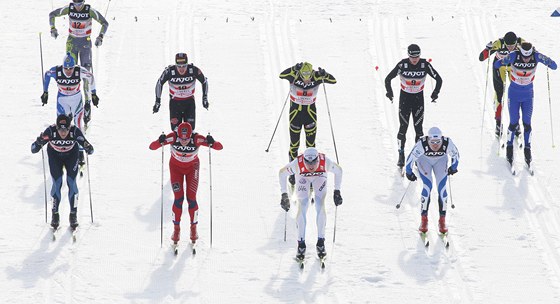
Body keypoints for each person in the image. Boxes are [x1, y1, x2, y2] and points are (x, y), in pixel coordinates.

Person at [149, 122, 222, 245]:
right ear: (177, 134)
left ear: (191, 135)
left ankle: (193, 229)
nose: (184, 141)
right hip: (175, 169)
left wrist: (212, 142)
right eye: (181, 138)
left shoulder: (197, 138)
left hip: (192, 169)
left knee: (191, 199)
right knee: (178, 199)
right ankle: (176, 230)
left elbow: (219, 147)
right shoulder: (172, 137)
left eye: (187, 138)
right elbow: (152, 147)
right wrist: (159, 140)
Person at [494, 42, 557, 166]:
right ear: (520, 52)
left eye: (528, 57)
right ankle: (509, 148)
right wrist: (503, 60)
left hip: (528, 95)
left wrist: (547, 61)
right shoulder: (513, 55)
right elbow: (497, 64)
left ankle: (528, 150)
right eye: (524, 57)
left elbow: (554, 66)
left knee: (527, 123)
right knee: (513, 122)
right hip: (514, 94)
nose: (526, 60)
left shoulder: (536, 56)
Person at [49, 0, 109, 124]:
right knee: (70, 72)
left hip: (85, 44)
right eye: (75, 4)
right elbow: (52, 14)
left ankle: (87, 104)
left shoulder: (89, 11)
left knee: (86, 75)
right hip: (72, 43)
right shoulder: (69, 8)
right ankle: (69, 105)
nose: (77, 6)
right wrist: (53, 29)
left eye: (80, 4)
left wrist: (100, 37)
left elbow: (104, 23)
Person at [31, 114, 94, 229]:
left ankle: (73, 215)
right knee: (57, 182)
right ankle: (55, 215)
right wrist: (39, 142)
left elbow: (89, 147)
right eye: (60, 129)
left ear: (70, 127)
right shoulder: (50, 131)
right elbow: (33, 149)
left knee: (71, 182)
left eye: (66, 129)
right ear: (57, 127)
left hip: (71, 156)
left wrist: (88, 147)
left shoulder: (74, 131)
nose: (63, 133)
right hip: (55, 157)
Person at [278, 147, 343, 260]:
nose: (311, 166)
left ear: (318, 159)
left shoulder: (325, 162)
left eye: (314, 162)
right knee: (302, 206)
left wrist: (337, 191)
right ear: (304, 160)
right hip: (303, 179)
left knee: (320, 205)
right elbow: (282, 173)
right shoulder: (297, 164)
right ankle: (301, 244)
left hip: (319, 178)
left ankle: (321, 242)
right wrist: (284, 194)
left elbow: (339, 171)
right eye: (308, 162)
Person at [385, 44, 443, 169]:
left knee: (419, 130)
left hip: (418, 100)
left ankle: (418, 156)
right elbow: (388, 78)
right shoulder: (402, 65)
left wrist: (435, 93)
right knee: (403, 128)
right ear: (408, 55)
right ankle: (401, 154)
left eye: (417, 56)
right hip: (405, 99)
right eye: (412, 57)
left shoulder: (425, 65)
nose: (415, 59)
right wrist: (389, 92)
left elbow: (439, 79)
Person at [279, 62, 337, 186]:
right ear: (300, 73)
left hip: (310, 115)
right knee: (294, 144)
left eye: (309, 77)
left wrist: (324, 74)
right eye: (304, 77)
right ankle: (293, 173)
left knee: (310, 145)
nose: (306, 81)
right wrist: (294, 68)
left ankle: (311, 172)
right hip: (295, 115)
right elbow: (281, 75)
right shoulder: (293, 74)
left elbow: (333, 80)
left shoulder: (316, 76)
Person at [42, 52, 98, 168]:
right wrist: (45, 92)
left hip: (76, 99)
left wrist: (93, 94)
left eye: (70, 68)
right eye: (66, 69)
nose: (68, 71)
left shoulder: (78, 70)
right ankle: (60, 151)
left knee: (77, 124)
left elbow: (90, 76)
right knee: (61, 126)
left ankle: (81, 151)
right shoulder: (57, 71)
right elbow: (47, 74)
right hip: (62, 100)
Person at [404, 127, 459, 234]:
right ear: (428, 139)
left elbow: (456, 155)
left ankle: (442, 221)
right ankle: (424, 220)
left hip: (441, 161)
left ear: (441, 139)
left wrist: (453, 167)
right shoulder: (422, 144)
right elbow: (410, 158)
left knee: (442, 189)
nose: (435, 145)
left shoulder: (447, 143)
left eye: (438, 142)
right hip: (424, 161)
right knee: (427, 186)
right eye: (432, 142)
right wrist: (408, 172)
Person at [479, 31, 525, 138]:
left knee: (515, 95)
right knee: (499, 94)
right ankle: (498, 123)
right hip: (500, 67)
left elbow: (531, 51)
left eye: (512, 46)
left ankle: (516, 123)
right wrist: (487, 49)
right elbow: (481, 58)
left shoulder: (520, 42)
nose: (510, 48)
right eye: (508, 46)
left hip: (513, 67)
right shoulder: (499, 43)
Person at [153, 53, 209, 131]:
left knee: (190, 131)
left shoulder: (193, 70)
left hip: (189, 103)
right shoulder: (169, 71)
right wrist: (157, 101)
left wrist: (205, 98)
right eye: (179, 66)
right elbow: (159, 83)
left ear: (187, 64)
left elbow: (204, 81)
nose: (181, 69)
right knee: (175, 131)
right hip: (175, 103)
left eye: (184, 66)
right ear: (175, 65)